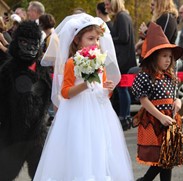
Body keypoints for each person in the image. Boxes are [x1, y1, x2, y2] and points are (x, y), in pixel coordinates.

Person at [33, 13, 134, 181]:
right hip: (76, 112)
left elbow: (103, 92)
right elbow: (65, 92)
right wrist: (84, 85)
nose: (95, 43)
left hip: (98, 112)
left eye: (97, 39)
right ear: (77, 40)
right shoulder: (72, 63)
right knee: (80, 148)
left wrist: (107, 89)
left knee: (99, 147)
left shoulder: (100, 62)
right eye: (90, 38)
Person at [132, 22, 183, 181]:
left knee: (168, 157)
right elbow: (143, 101)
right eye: (164, 56)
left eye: (170, 57)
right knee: (161, 157)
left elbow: (174, 96)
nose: (168, 60)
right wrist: (160, 117)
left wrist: (178, 102)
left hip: (171, 120)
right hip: (155, 120)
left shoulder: (169, 76)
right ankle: (144, 180)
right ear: (154, 56)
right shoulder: (146, 75)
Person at [0, 21, 51, 180]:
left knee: (41, 175)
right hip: (12, 135)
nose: (29, 47)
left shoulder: (43, 68)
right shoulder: (8, 70)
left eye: (33, 43)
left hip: (38, 134)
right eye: (24, 42)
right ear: (16, 42)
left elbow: (49, 97)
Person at [104, 0, 137, 131]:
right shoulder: (122, 16)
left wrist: (108, 38)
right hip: (123, 58)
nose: (106, 7)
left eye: (107, 4)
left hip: (123, 59)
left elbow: (124, 37)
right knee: (121, 89)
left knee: (122, 89)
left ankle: (125, 116)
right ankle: (124, 115)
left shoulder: (122, 16)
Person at [39, 13, 56, 126]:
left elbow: (54, 56)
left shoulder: (51, 38)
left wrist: (41, 54)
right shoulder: (50, 36)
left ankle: (52, 115)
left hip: (52, 71)